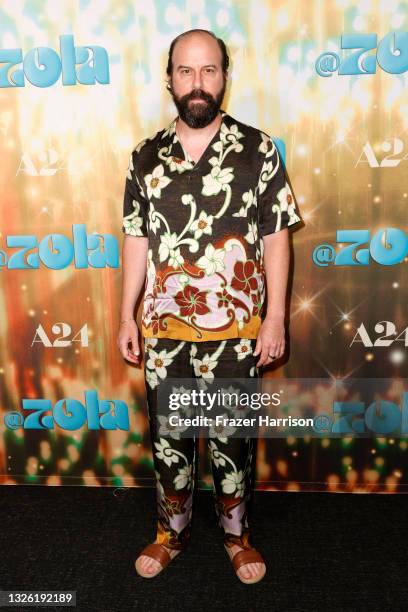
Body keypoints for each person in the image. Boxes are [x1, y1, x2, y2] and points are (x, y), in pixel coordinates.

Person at [117, 28, 302, 584]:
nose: (197, 84)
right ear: (169, 78)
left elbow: (276, 238)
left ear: (224, 76)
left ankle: (236, 537)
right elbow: (135, 239)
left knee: (232, 442)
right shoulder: (145, 157)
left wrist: (274, 318)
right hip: (165, 331)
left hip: (237, 330)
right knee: (170, 440)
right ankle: (171, 534)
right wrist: (126, 314)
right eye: (185, 71)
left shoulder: (258, 150)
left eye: (209, 71)